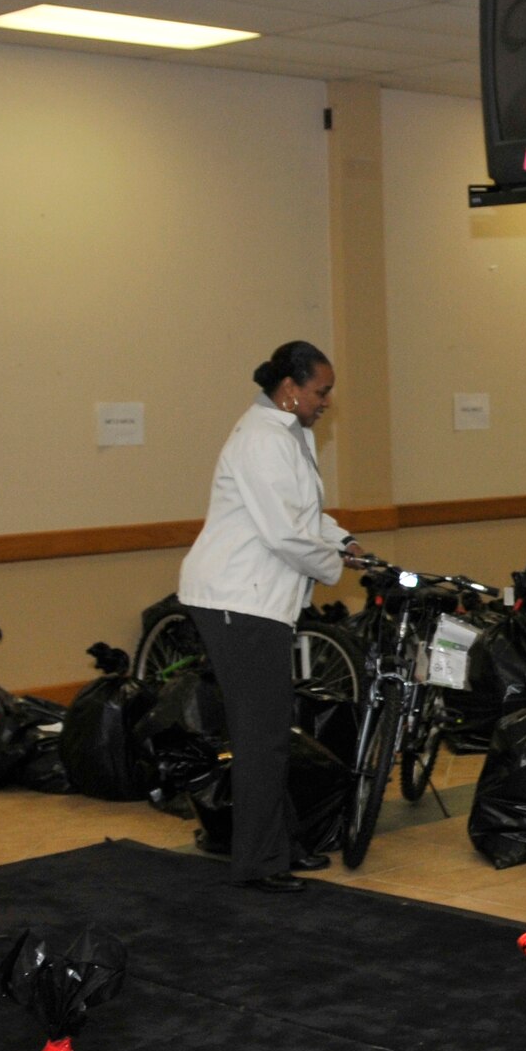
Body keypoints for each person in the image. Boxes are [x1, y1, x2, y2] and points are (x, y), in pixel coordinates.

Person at [178, 341, 361, 894]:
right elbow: (283, 533)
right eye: (321, 391)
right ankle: (258, 863)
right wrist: (333, 566)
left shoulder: (287, 432)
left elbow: (302, 514)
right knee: (261, 737)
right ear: (290, 390)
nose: (326, 402)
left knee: (271, 729)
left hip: (253, 600)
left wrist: (342, 540)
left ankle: (282, 844)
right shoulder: (263, 438)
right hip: (237, 598)